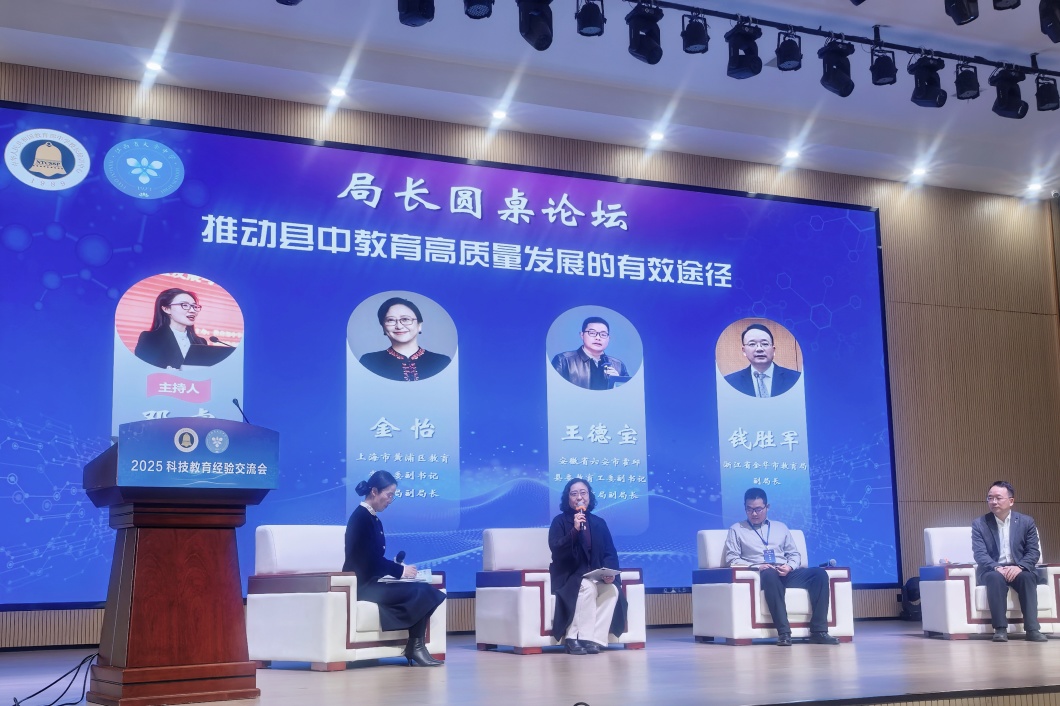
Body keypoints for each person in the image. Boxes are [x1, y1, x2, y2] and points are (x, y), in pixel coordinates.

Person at [343, 470, 447, 665]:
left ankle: (416, 646)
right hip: (363, 586)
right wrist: (399, 571)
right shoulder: (361, 518)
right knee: (420, 591)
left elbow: (373, 558)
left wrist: (396, 566)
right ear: (374, 491)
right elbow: (369, 559)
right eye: (389, 495)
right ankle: (415, 648)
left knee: (422, 589)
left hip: (373, 581)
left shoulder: (372, 518)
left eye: (393, 496)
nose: (390, 500)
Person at [724, 487, 840, 646]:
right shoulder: (737, 529)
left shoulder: (780, 527)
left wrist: (790, 567)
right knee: (770, 574)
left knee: (819, 574)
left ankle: (819, 632)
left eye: (758, 509)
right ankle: (784, 633)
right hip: (760, 575)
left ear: (767, 507)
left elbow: (794, 554)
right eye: (749, 509)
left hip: (784, 571)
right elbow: (732, 559)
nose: (754, 513)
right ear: (745, 508)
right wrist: (757, 566)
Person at [548, 477, 628, 655]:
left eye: (583, 493)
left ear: (589, 497)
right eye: (574, 494)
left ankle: (594, 639)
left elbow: (610, 552)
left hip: (594, 575)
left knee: (611, 590)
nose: (579, 497)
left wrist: (609, 573)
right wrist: (575, 530)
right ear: (568, 498)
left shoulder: (599, 523)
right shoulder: (560, 521)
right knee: (587, 587)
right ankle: (573, 638)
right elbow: (556, 549)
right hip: (568, 576)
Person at [972, 481, 1047, 642]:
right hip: (993, 569)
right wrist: (996, 567)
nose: (994, 502)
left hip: (1019, 568)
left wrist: (1020, 567)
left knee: (1027, 577)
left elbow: (1033, 551)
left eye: (998, 498)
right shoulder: (980, 523)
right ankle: (1000, 629)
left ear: (1011, 501)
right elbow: (980, 554)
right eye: (990, 498)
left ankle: (1032, 629)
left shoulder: (1026, 522)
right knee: (995, 578)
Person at [359, 297, 451, 381]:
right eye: (390, 320)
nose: (399, 326)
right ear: (383, 327)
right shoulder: (369, 361)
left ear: (419, 325)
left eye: (405, 319)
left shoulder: (441, 362)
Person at [134, 288, 209, 370]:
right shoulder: (150, 339)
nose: (192, 310)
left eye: (194, 306)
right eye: (184, 305)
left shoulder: (201, 342)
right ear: (166, 309)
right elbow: (141, 371)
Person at [550, 316, 629, 390]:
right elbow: (555, 391)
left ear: (608, 338)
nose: (598, 338)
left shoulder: (618, 365)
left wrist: (617, 382)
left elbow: (627, 394)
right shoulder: (563, 361)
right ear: (582, 335)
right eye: (592, 333)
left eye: (603, 334)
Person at [724, 323, 800, 398]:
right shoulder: (730, 382)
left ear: (773, 350)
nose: (759, 349)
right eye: (752, 344)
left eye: (765, 344)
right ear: (744, 351)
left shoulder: (796, 379)